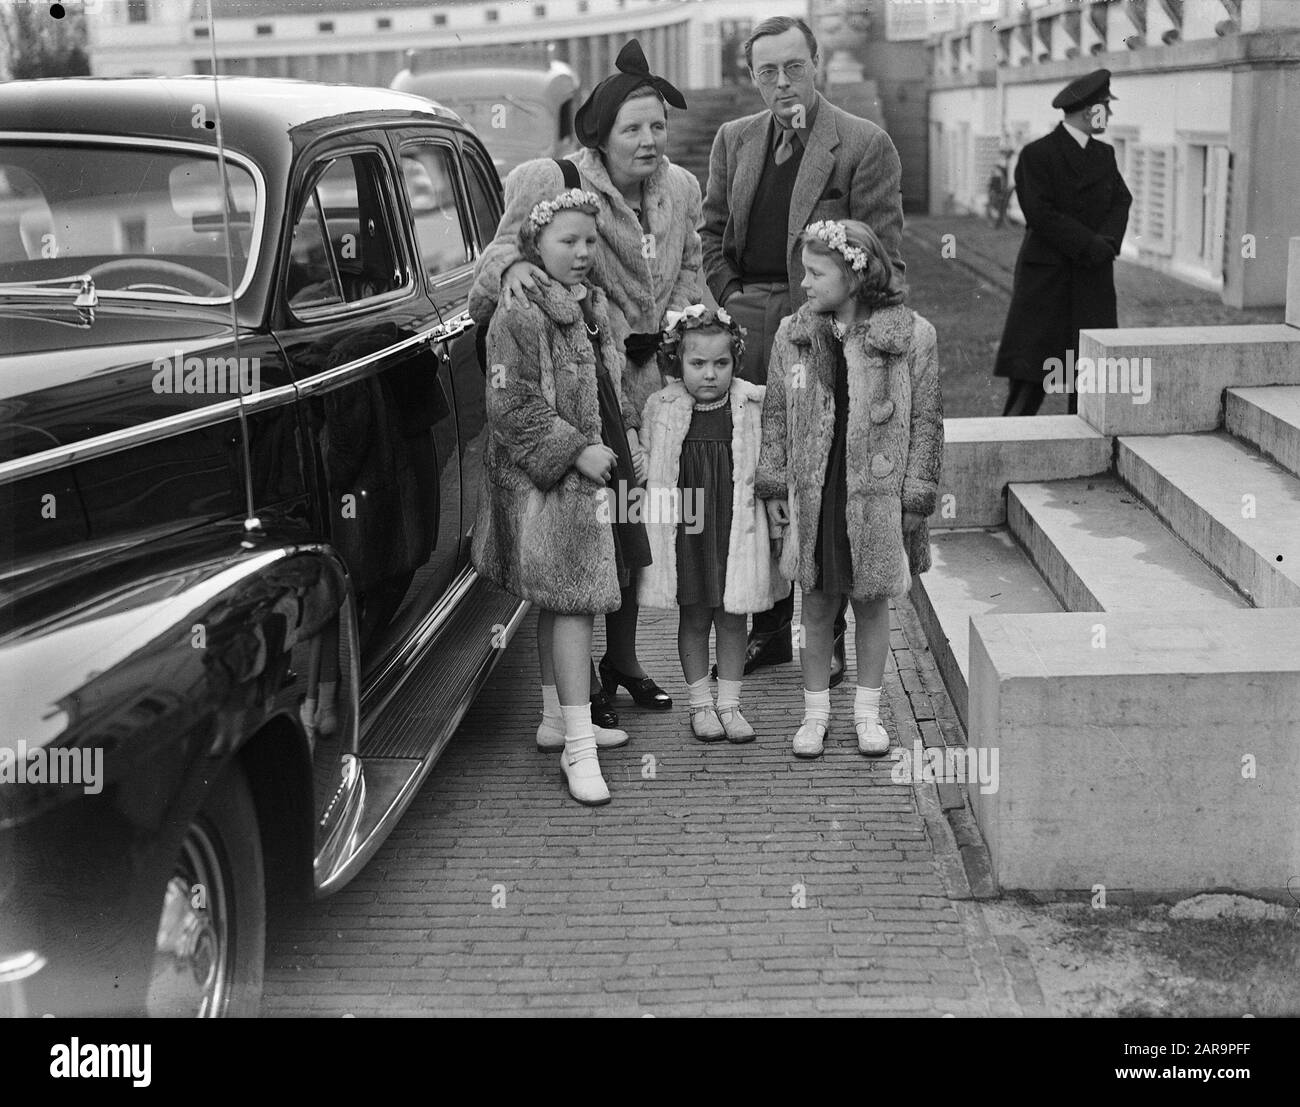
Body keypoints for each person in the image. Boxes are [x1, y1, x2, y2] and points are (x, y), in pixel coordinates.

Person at [470, 37, 704, 728]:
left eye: (658, 125)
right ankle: (573, 698)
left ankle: (622, 661)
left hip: (653, 385)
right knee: (581, 535)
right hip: (582, 387)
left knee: (635, 530)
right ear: (601, 133)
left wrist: (691, 338)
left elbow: (690, 270)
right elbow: (498, 263)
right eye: (633, 127)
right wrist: (511, 269)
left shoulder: (683, 189)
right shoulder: (554, 179)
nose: (649, 139)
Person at [700, 14, 906, 687]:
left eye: (794, 66)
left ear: (815, 64)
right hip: (745, 318)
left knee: (817, 481)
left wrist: (826, 316)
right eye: (767, 71)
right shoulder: (734, 140)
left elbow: (886, 259)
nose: (782, 82)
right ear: (751, 77)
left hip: (819, 329)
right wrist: (730, 296)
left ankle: (831, 632)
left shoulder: (862, 144)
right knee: (755, 474)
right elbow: (710, 230)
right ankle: (765, 627)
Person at [471, 189, 642, 806]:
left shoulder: (585, 304)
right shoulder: (520, 311)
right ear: (535, 245)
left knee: (563, 602)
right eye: (567, 241)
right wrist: (573, 450)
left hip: (584, 479)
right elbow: (508, 402)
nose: (581, 252)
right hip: (552, 484)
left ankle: (554, 717)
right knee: (572, 603)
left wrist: (623, 446)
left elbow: (602, 388)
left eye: (590, 241)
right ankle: (578, 748)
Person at [757, 219, 943, 760]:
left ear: (856, 276)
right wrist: (773, 485)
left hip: (876, 493)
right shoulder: (794, 336)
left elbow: (927, 420)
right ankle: (815, 715)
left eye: (817, 274)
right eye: (804, 274)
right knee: (814, 605)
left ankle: (867, 714)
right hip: (817, 489)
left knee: (872, 602)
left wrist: (916, 493)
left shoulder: (911, 338)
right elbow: (774, 416)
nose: (805, 285)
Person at [637, 306, 789, 743]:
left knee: (731, 617)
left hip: (734, 528)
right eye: (697, 363)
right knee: (696, 614)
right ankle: (700, 703)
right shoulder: (662, 408)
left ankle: (730, 703)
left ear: (735, 361)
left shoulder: (751, 405)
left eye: (721, 363)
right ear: (676, 362)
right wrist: (656, 539)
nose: (709, 374)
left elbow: (768, 466)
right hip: (688, 530)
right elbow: (653, 476)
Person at [993, 68, 1132, 416]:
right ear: (1089, 112)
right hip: (1047, 283)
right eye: (1106, 107)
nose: (1109, 115)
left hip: (1091, 281)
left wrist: (1108, 243)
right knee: (1030, 379)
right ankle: (1007, 453)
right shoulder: (1037, 155)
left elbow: (1121, 201)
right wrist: (1089, 244)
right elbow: (1040, 214)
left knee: (1090, 377)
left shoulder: (1104, 155)